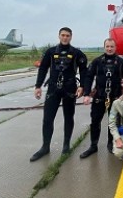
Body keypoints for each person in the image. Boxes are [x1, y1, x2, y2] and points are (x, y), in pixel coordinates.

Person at [30, 27, 88, 162]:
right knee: (47, 119)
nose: (65, 37)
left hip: (69, 88)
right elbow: (43, 69)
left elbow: (84, 71)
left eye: (67, 35)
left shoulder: (77, 53)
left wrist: (82, 87)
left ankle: (66, 145)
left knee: (69, 117)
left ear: (71, 37)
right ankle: (45, 147)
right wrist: (38, 86)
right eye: (63, 35)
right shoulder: (50, 52)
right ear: (59, 36)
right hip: (53, 88)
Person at [80, 38, 123, 158]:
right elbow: (89, 77)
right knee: (95, 122)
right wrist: (86, 94)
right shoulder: (97, 62)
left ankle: (110, 144)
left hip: (116, 98)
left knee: (112, 122)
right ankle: (93, 146)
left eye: (112, 46)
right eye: (107, 46)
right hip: (99, 97)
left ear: (115, 47)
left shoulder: (121, 62)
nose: (109, 48)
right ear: (104, 47)